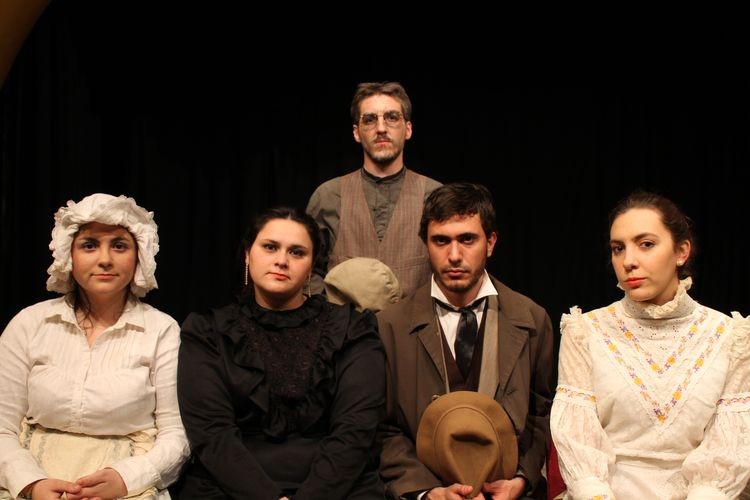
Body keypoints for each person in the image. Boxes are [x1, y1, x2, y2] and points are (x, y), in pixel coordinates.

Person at [175, 207, 387, 499]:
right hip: (231, 487)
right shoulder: (208, 331)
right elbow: (212, 434)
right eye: (270, 247)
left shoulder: (352, 328)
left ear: (312, 265)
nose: (282, 261)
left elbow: (356, 430)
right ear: (248, 254)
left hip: (338, 487)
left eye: (297, 252)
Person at [550, 190, 750, 499]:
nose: (628, 261)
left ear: (681, 251)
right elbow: (578, 438)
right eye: (618, 248)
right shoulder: (584, 332)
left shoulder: (731, 336)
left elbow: (731, 444)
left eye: (646, 244)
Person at [0, 193, 189, 500]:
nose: (105, 259)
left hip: (127, 488)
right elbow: (2, 427)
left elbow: (176, 434)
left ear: (139, 254)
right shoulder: (29, 324)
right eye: (89, 245)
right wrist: (32, 484)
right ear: (68, 254)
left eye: (119, 245)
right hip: (33, 479)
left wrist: (125, 479)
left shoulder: (161, 330)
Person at [377, 183, 555, 500]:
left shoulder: (532, 319)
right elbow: (381, 426)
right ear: (426, 244)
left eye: (467, 239)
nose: (454, 255)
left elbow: (542, 415)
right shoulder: (389, 326)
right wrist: (426, 491)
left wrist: (521, 479)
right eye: (441, 241)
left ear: (491, 243)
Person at [306, 81, 442, 298]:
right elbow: (308, 272)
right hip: (341, 320)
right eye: (369, 119)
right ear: (356, 133)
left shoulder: (435, 196)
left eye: (392, 117)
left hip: (416, 319)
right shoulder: (329, 196)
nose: (381, 128)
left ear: (408, 129)